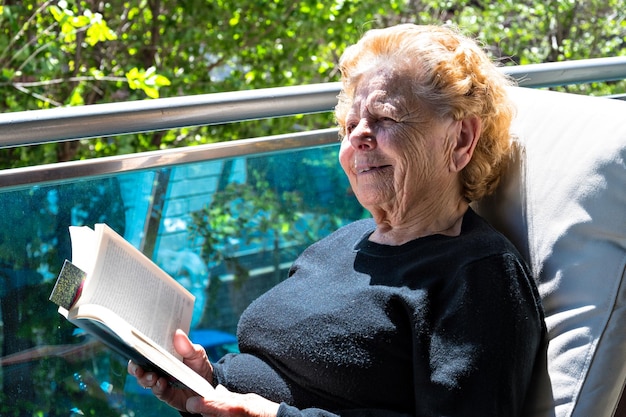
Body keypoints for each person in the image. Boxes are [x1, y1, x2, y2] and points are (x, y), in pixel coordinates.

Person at [129, 23, 546, 417]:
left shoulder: (479, 276)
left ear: (461, 140)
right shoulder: (343, 242)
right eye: (350, 125)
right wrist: (203, 382)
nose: (358, 137)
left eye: (385, 119)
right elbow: (275, 377)